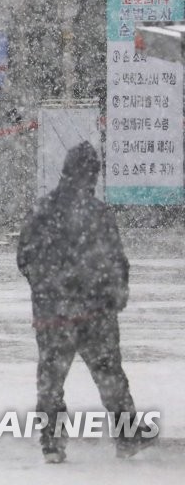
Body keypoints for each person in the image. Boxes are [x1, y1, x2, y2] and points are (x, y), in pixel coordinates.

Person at [17, 142, 157, 463]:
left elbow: (24, 257)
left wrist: (46, 288)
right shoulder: (97, 213)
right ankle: (127, 436)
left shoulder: (41, 210)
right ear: (92, 175)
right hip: (95, 312)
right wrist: (115, 294)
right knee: (109, 374)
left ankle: (52, 443)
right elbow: (116, 261)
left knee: (51, 379)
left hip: (52, 313)